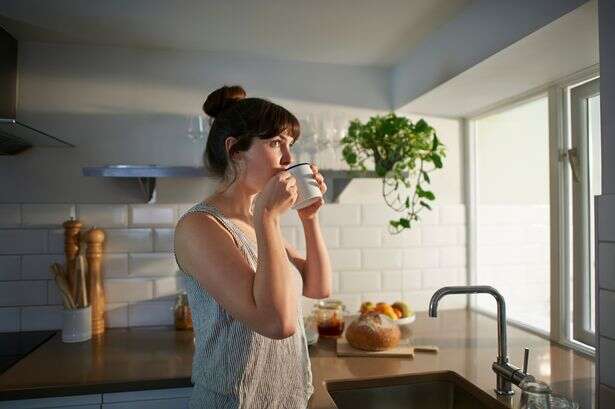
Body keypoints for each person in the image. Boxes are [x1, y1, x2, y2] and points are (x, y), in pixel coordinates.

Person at [173, 85, 332, 408]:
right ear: (235, 150)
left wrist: (308, 217)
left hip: (283, 398)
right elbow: (277, 323)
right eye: (275, 143)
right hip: (234, 402)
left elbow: (318, 287)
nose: (289, 159)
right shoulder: (200, 226)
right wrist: (268, 217)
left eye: (290, 145)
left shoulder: (253, 219)